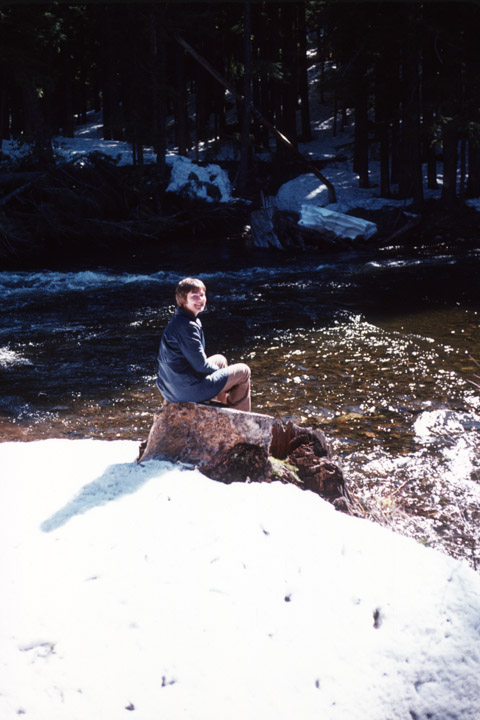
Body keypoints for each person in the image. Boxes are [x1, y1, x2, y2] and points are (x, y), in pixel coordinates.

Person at [156, 277, 251, 412]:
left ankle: (222, 412)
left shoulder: (180, 320)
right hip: (186, 391)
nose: (200, 299)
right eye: (194, 296)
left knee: (220, 360)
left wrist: (222, 373)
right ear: (183, 300)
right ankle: (242, 420)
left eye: (202, 295)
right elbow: (200, 366)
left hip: (171, 389)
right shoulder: (187, 326)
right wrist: (224, 375)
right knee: (243, 371)